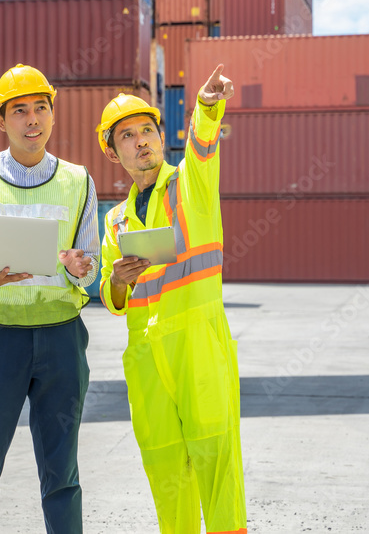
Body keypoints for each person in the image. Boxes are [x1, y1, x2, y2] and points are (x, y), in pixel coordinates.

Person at [0, 64, 99, 534]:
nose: (31, 119)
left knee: (62, 475)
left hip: (61, 341)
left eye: (40, 108)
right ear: (1, 119)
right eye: (19, 110)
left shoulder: (80, 181)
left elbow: (91, 263)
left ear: (52, 115)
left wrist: (81, 269)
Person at [96, 64, 247, 534]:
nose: (140, 141)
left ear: (162, 138)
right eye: (127, 136)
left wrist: (206, 107)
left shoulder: (190, 185)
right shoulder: (115, 220)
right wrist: (119, 279)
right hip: (145, 358)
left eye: (147, 131)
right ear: (113, 151)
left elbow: (204, 146)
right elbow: (110, 294)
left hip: (198, 346)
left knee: (216, 462)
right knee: (166, 471)